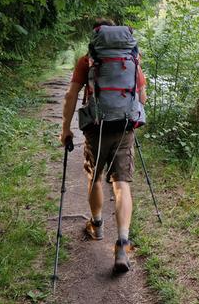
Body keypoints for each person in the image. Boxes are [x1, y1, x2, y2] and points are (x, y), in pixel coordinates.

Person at [60, 18, 147, 273]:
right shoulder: (132, 58)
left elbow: (71, 95)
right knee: (122, 184)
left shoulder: (88, 59)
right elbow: (141, 96)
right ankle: (122, 243)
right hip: (124, 127)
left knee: (95, 176)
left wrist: (66, 130)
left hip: (96, 127)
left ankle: (96, 226)